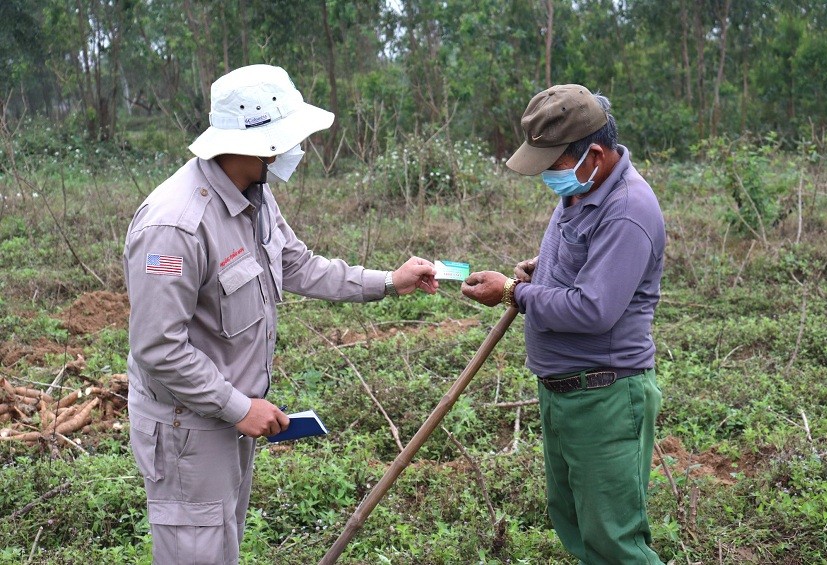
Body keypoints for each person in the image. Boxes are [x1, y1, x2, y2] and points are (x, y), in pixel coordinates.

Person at [123, 64, 438, 564]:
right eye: (287, 138)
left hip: (230, 417)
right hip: (189, 429)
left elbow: (297, 264)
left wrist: (387, 282)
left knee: (221, 546)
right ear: (256, 142)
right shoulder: (176, 226)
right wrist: (238, 407)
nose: (295, 149)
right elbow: (158, 347)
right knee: (196, 553)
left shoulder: (255, 194)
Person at [462, 84, 665, 564]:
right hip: (562, 393)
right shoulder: (584, 188)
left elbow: (595, 310)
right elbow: (582, 260)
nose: (547, 180)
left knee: (615, 540)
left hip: (605, 398)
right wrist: (545, 270)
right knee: (573, 520)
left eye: (552, 167)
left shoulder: (629, 210)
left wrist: (513, 293)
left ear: (593, 154)